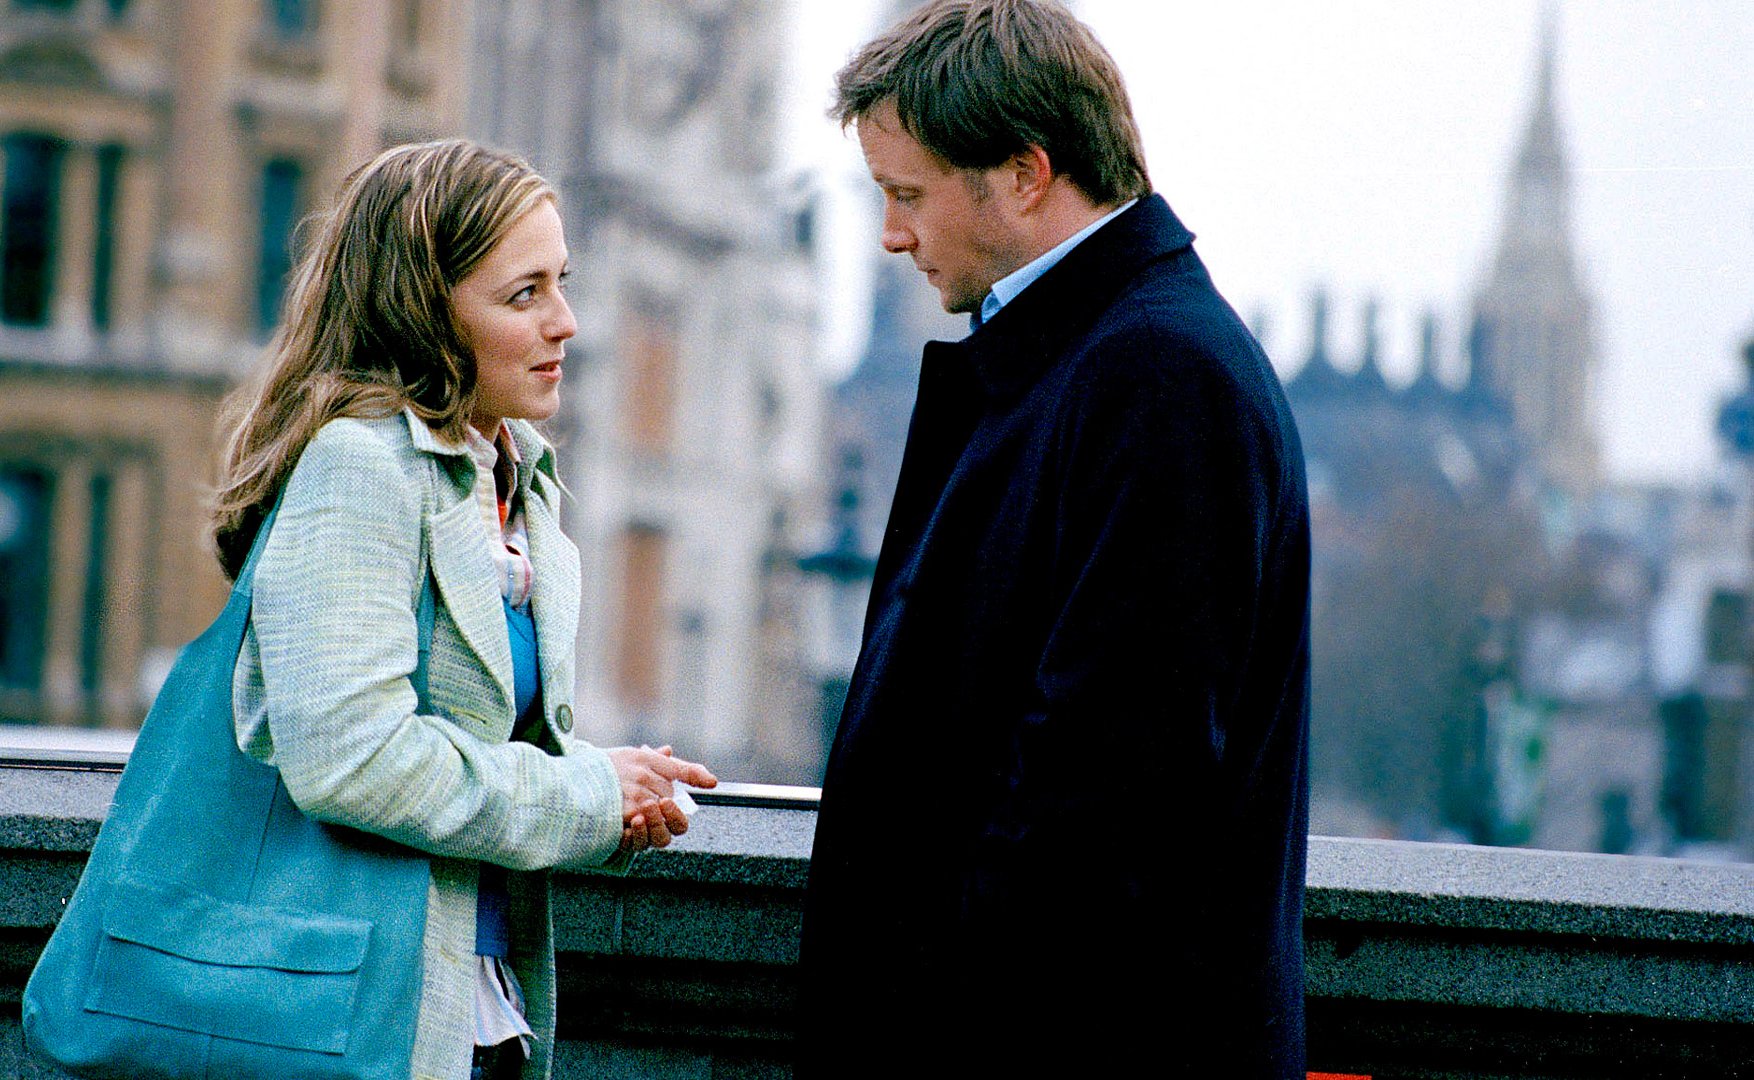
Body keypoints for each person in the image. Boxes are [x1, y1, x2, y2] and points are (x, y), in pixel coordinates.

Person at [797, 2, 1311, 1076]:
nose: (892, 235)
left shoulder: (1159, 377)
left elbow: (1104, 798)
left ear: (1026, 175)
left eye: (907, 195)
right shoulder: (1099, 357)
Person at [209, 139, 717, 1080]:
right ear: (422, 312)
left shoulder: (514, 479)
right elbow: (351, 756)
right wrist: (585, 794)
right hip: (354, 1017)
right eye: (524, 295)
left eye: (562, 283)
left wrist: (614, 783)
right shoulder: (360, 466)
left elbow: (468, 730)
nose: (567, 322)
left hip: (473, 1007)